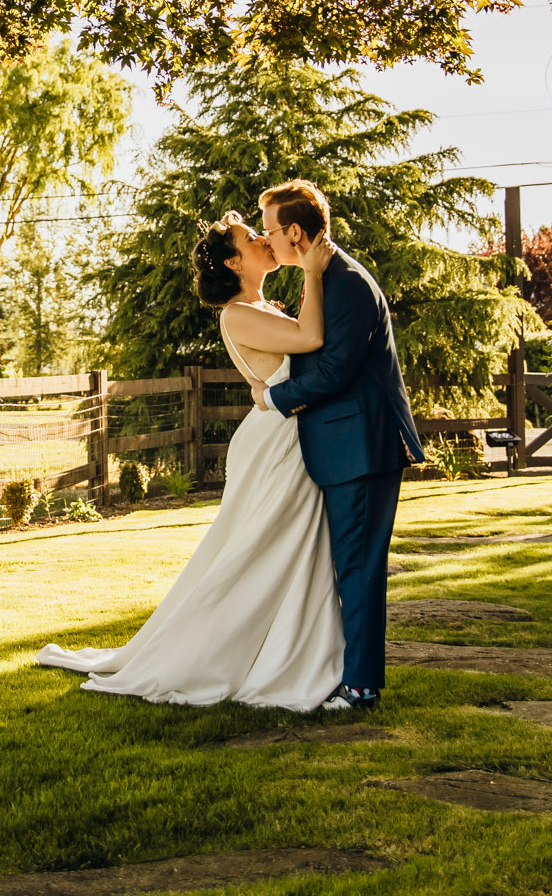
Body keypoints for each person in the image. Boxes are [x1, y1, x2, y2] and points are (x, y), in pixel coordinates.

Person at [33, 209, 346, 710]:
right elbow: (311, 340)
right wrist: (312, 267)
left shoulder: (264, 304)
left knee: (286, 544)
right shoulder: (237, 313)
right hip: (277, 440)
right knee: (259, 547)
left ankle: (292, 642)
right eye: (252, 238)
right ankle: (235, 650)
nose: (266, 241)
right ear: (233, 261)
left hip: (289, 430)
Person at [252, 180, 424, 716]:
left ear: (295, 232)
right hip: (345, 446)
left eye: (270, 231)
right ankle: (342, 673)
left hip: (363, 446)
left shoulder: (345, 282)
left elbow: (335, 370)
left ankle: (362, 687)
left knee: (359, 567)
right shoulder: (321, 275)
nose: (267, 240)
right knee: (347, 564)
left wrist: (272, 396)